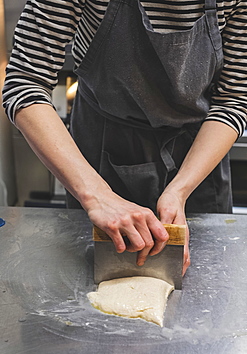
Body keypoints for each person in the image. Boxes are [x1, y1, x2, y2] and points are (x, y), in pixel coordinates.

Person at [2, 0, 247, 275]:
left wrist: (180, 191)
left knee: (206, 289)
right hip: (102, 147)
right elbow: (25, 82)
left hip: (198, 153)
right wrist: (97, 196)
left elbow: (233, 99)